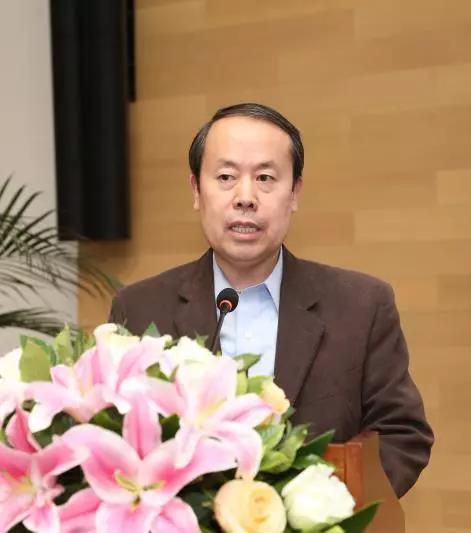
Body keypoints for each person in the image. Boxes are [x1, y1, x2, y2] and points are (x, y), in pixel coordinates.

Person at [109, 102, 433, 497]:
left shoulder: (362, 306)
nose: (245, 197)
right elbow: (116, 441)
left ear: (294, 193)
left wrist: (328, 510)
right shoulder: (140, 309)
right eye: (226, 177)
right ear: (196, 190)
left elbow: (402, 434)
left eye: (265, 178)